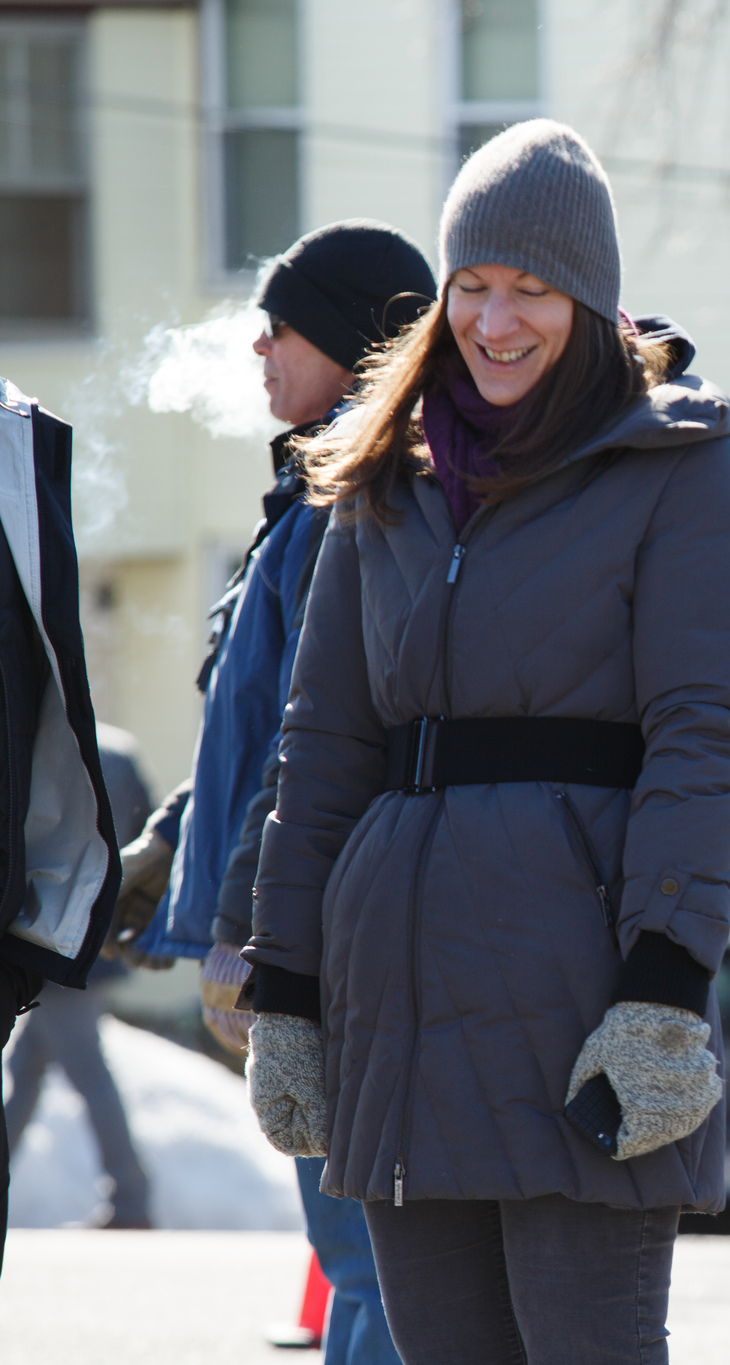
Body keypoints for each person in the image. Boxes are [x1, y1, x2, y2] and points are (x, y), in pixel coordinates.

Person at [240, 119, 730, 1365]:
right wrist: (289, 990)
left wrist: (662, 997)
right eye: (472, 286)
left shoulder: (680, 469)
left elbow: (705, 747)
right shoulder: (383, 474)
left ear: (588, 301)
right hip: (396, 1011)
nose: (495, 321)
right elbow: (320, 747)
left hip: (580, 1005)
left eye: (530, 289)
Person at [117, 218, 434, 1364]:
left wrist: (248, 931)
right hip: (303, 925)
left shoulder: (350, 503)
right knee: (360, 1259)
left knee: (367, 1267)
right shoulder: (308, 493)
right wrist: (167, 844)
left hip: (320, 939)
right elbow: (248, 726)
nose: (256, 348)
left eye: (280, 326)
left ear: (352, 339)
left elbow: (320, 738)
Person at [0, 380, 123, 1275]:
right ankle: (134, 1189)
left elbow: (83, 823)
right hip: (51, 949)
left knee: (70, 1075)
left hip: (58, 953)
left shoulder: (16, 447)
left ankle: (134, 1191)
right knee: (54, 1079)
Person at [3, 724, 154, 1229]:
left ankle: (132, 1196)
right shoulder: (118, 751)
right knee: (28, 1071)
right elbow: (146, 837)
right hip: (98, 935)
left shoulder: (44, 740)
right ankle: (129, 1193)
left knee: (86, 1071)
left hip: (48, 932)